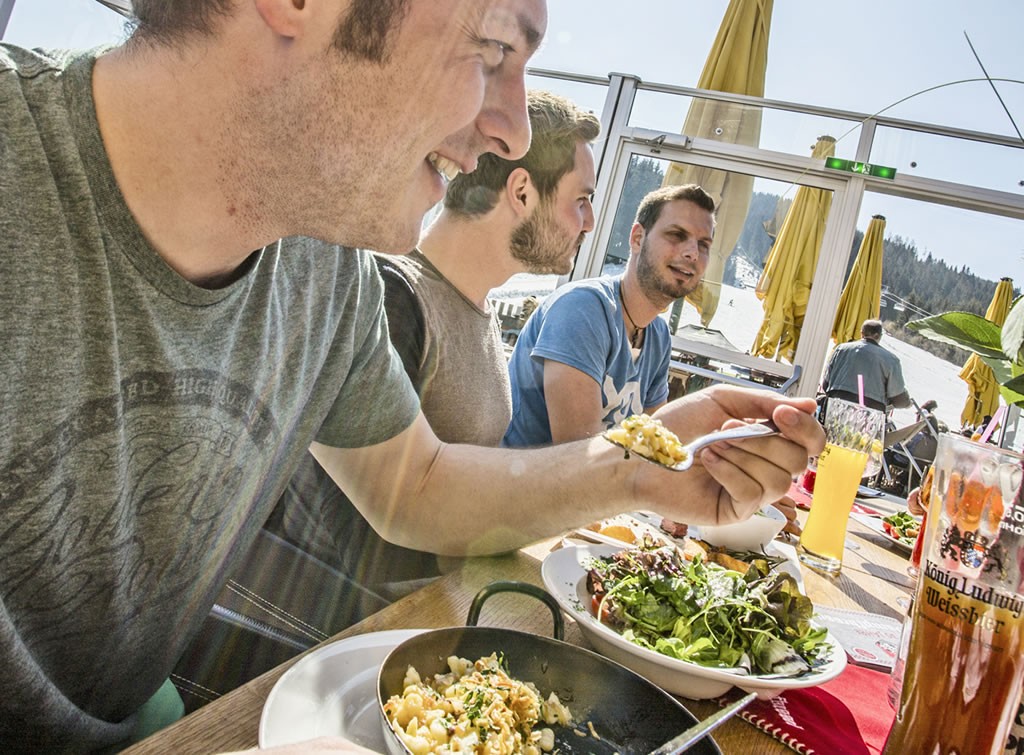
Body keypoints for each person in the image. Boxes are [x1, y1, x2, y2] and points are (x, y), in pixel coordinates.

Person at [1, 1, 824, 751]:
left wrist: (645, 477)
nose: (507, 129)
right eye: (493, 48)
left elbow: (419, 486)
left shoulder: (326, 272)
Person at [270, 89, 600, 596]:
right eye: (581, 200)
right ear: (521, 192)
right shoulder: (391, 297)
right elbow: (352, 535)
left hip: (432, 607)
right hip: (350, 631)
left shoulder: (479, 312)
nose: (590, 223)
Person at [503, 184, 714, 446]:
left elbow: (656, 443)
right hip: (524, 483)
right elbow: (580, 459)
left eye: (703, 244)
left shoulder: (658, 337)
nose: (692, 253)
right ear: (637, 238)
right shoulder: (582, 310)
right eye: (676, 234)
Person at [820, 319, 911, 413]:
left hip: (835, 404)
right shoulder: (891, 360)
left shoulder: (841, 349)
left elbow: (825, 383)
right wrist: (908, 403)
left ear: (861, 333)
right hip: (869, 412)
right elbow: (899, 398)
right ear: (878, 336)